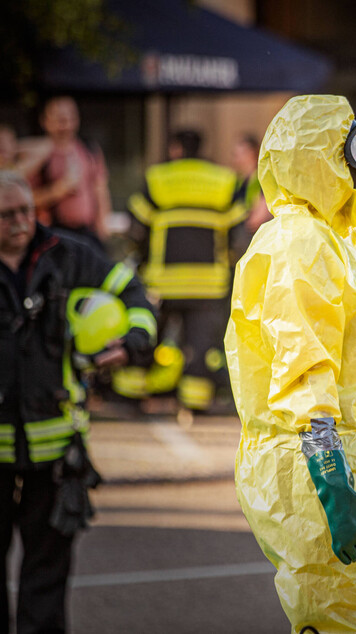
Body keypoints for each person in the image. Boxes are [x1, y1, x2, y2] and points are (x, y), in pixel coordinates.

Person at [225, 94, 356, 633]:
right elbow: (304, 363)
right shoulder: (301, 241)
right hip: (323, 472)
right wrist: (332, 483)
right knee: (337, 617)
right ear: (320, 160)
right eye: (352, 150)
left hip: (347, 465)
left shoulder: (334, 238)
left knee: (354, 615)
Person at [0, 170, 156, 634]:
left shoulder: (69, 255)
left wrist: (133, 342)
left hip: (55, 451)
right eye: (7, 214)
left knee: (46, 578)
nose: (21, 222)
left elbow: (135, 294)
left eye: (26, 210)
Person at [124, 129, 245, 414]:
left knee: (149, 336)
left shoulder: (157, 179)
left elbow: (135, 229)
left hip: (162, 282)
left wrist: (142, 262)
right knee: (199, 346)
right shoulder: (224, 181)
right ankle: (195, 403)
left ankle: (130, 396)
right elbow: (238, 235)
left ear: (175, 148)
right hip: (208, 284)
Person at [31, 96, 112, 248]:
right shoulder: (38, 155)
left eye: (71, 117)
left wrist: (103, 224)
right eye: (60, 119)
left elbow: (100, 188)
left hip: (88, 233)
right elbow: (28, 200)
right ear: (45, 121)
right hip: (54, 234)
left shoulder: (89, 149)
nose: (66, 125)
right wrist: (58, 190)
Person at [231, 133, 269, 234]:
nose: (236, 159)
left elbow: (257, 219)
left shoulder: (262, 179)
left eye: (240, 154)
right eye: (235, 155)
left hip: (254, 234)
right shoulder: (238, 181)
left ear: (252, 153)